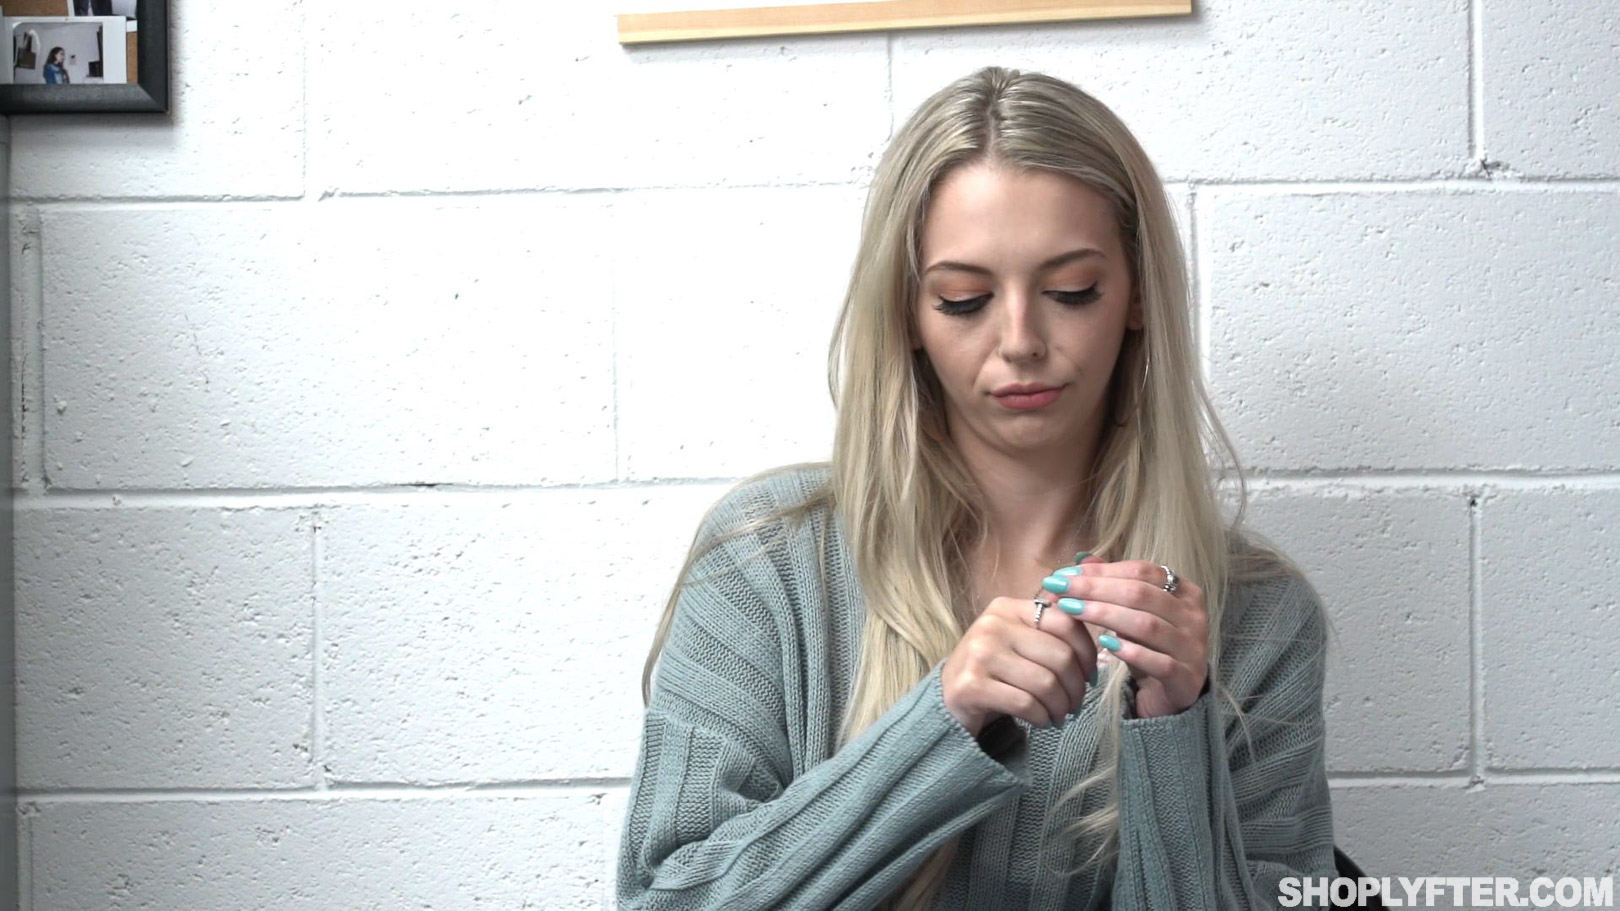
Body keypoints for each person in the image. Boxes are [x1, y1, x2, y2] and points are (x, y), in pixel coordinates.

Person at [616, 65, 1336, 910]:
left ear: (1137, 296)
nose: (1021, 339)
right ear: (908, 314)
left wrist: (1175, 737)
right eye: (964, 299)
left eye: (1071, 291)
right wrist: (940, 722)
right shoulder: (764, 562)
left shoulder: (1260, 617)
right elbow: (664, 900)